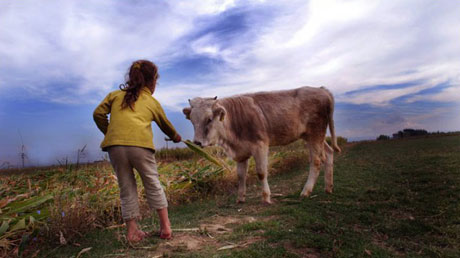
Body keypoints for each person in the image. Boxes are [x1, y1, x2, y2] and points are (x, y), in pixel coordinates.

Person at [93, 60, 181, 242]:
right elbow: (165, 124)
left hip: (115, 147)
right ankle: (165, 227)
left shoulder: (116, 95)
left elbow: (97, 113)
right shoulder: (151, 101)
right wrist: (175, 137)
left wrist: (110, 131)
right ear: (152, 81)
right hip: (140, 146)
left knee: (126, 188)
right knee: (152, 183)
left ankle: (132, 232)